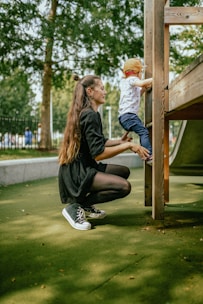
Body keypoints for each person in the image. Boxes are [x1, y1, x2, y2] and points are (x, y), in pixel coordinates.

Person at [58, 74, 149, 231]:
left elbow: (100, 141)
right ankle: (76, 206)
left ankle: (84, 206)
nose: (105, 92)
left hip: (84, 167)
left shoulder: (91, 113)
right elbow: (98, 153)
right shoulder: (90, 114)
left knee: (123, 171)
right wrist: (129, 146)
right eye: (102, 88)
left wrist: (121, 142)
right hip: (78, 173)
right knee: (124, 187)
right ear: (90, 91)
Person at [118, 58, 153, 164]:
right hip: (129, 115)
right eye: (141, 72)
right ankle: (149, 154)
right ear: (136, 72)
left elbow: (139, 92)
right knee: (143, 132)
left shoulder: (125, 82)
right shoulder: (131, 79)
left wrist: (144, 89)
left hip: (123, 117)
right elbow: (142, 83)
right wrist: (155, 79)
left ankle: (144, 153)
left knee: (141, 132)